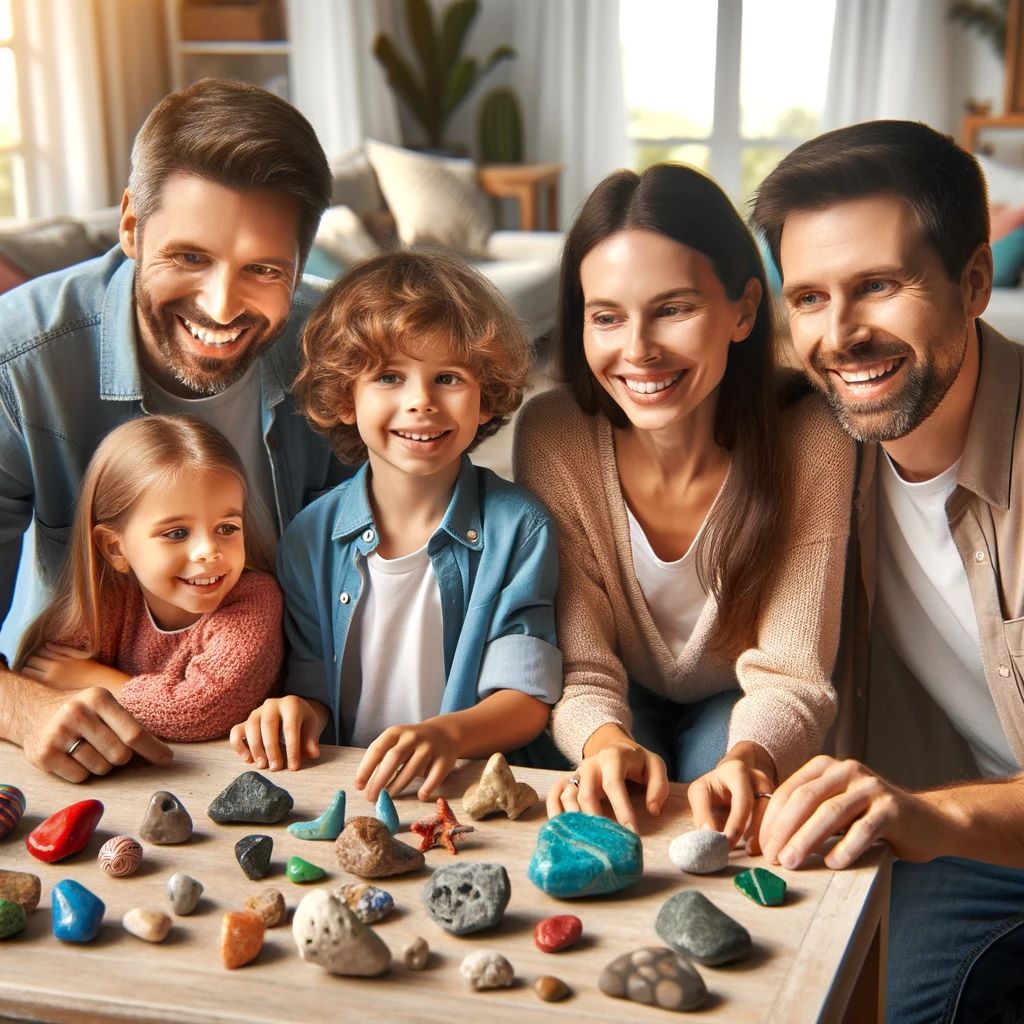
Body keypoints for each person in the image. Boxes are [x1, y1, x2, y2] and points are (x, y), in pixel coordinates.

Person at [751, 120, 1024, 1023]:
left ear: (974, 283)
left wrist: (932, 818)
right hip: (965, 839)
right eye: (810, 298)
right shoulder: (825, 445)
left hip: (960, 827)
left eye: (878, 286)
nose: (841, 334)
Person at [0, 78, 342, 781]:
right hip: (92, 740)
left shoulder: (338, 353)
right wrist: (21, 708)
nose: (221, 305)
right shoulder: (18, 365)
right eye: (190, 257)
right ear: (131, 225)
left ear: (300, 266)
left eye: (263, 269)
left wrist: (318, 698)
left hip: (300, 745)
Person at [513, 163, 855, 840]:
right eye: (606, 317)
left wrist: (749, 760)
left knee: (723, 819)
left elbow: (793, 672)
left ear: (744, 310)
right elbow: (580, 660)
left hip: (744, 697)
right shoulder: (552, 433)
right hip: (613, 691)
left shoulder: (814, 435)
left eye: (673, 309)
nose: (638, 351)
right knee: (605, 807)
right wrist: (603, 743)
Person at [230, 250, 562, 802]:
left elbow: (526, 698)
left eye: (448, 378)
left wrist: (447, 735)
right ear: (344, 398)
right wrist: (293, 712)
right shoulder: (309, 537)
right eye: (388, 377)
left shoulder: (520, 528)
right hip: (350, 790)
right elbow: (315, 689)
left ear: (485, 399)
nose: (421, 403)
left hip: (467, 794)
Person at [13, 415, 283, 752]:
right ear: (115, 548)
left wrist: (91, 680)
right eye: (177, 533)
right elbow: (44, 678)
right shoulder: (109, 599)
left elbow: (198, 711)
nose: (209, 551)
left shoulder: (254, 601)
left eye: (227, 528)